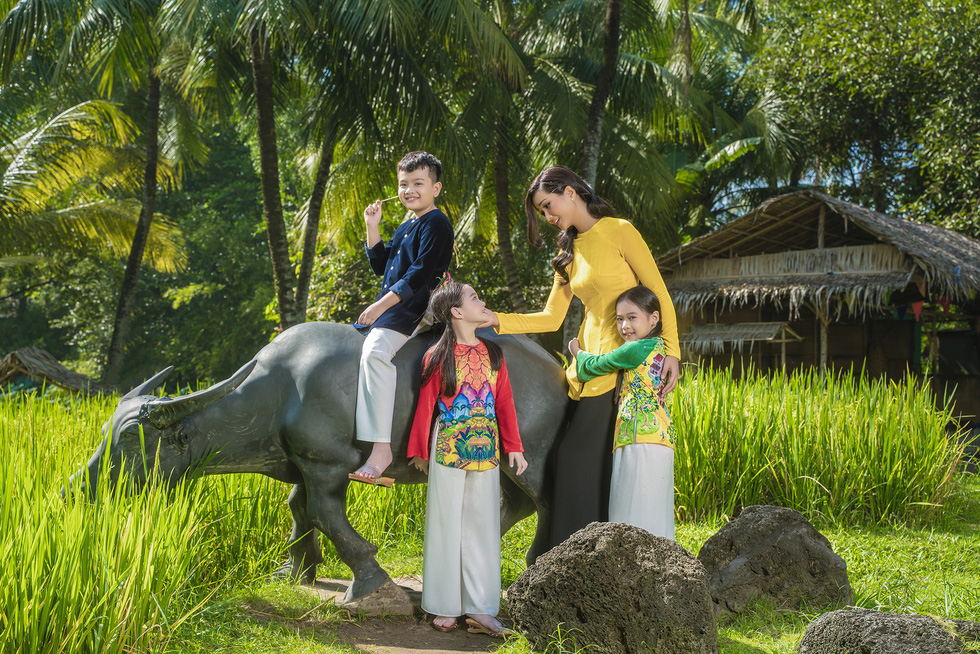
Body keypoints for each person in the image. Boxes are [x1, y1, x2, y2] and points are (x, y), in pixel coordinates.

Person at [483, 165, 680, 549]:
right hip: (583, 368)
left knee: (574, 459)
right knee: (581, 463)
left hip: (620, 367)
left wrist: (672, 350)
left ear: (571, 192)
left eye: (548, 205)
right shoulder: (568, 253)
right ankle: (574, 558)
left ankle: (570, 557)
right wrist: (497, 320)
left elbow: (657, 290)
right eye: (541, 211)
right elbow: (551, 317)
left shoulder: (620, 231)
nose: (547, 215)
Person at [407, 280, 528, 636]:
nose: (482, 301)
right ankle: (444, 605)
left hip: (487, 451)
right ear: (457, 312)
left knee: (482, 527)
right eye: (474, 298)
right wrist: (419, 451)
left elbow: (504, 402)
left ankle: (480, 607)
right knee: (445, 525)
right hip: (448, 449)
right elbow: (425, 407)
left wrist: (514, 447)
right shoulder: (437, 356)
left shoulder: (494, 354)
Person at [350, 151, 454, 485]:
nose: (409, 190)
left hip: (417, 307)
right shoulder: (408, 224)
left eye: (418, 183)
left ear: (435, 188)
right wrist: (372, 226)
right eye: (403, 184)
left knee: (376, 352)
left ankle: (381, 448)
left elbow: (419, 274)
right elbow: (382, 266)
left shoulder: (436, 223)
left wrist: (380, 306)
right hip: (397, 305)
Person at [569, 286, 677, 539]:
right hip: (660, 436)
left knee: (629, 512)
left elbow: (592, 366)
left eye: (632, 317)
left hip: (637, 435)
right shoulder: (659, 346)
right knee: (656, 511)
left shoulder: (635, 349)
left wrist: (576, 350)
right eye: (619, 319)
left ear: (654, 318)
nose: (625, 326)